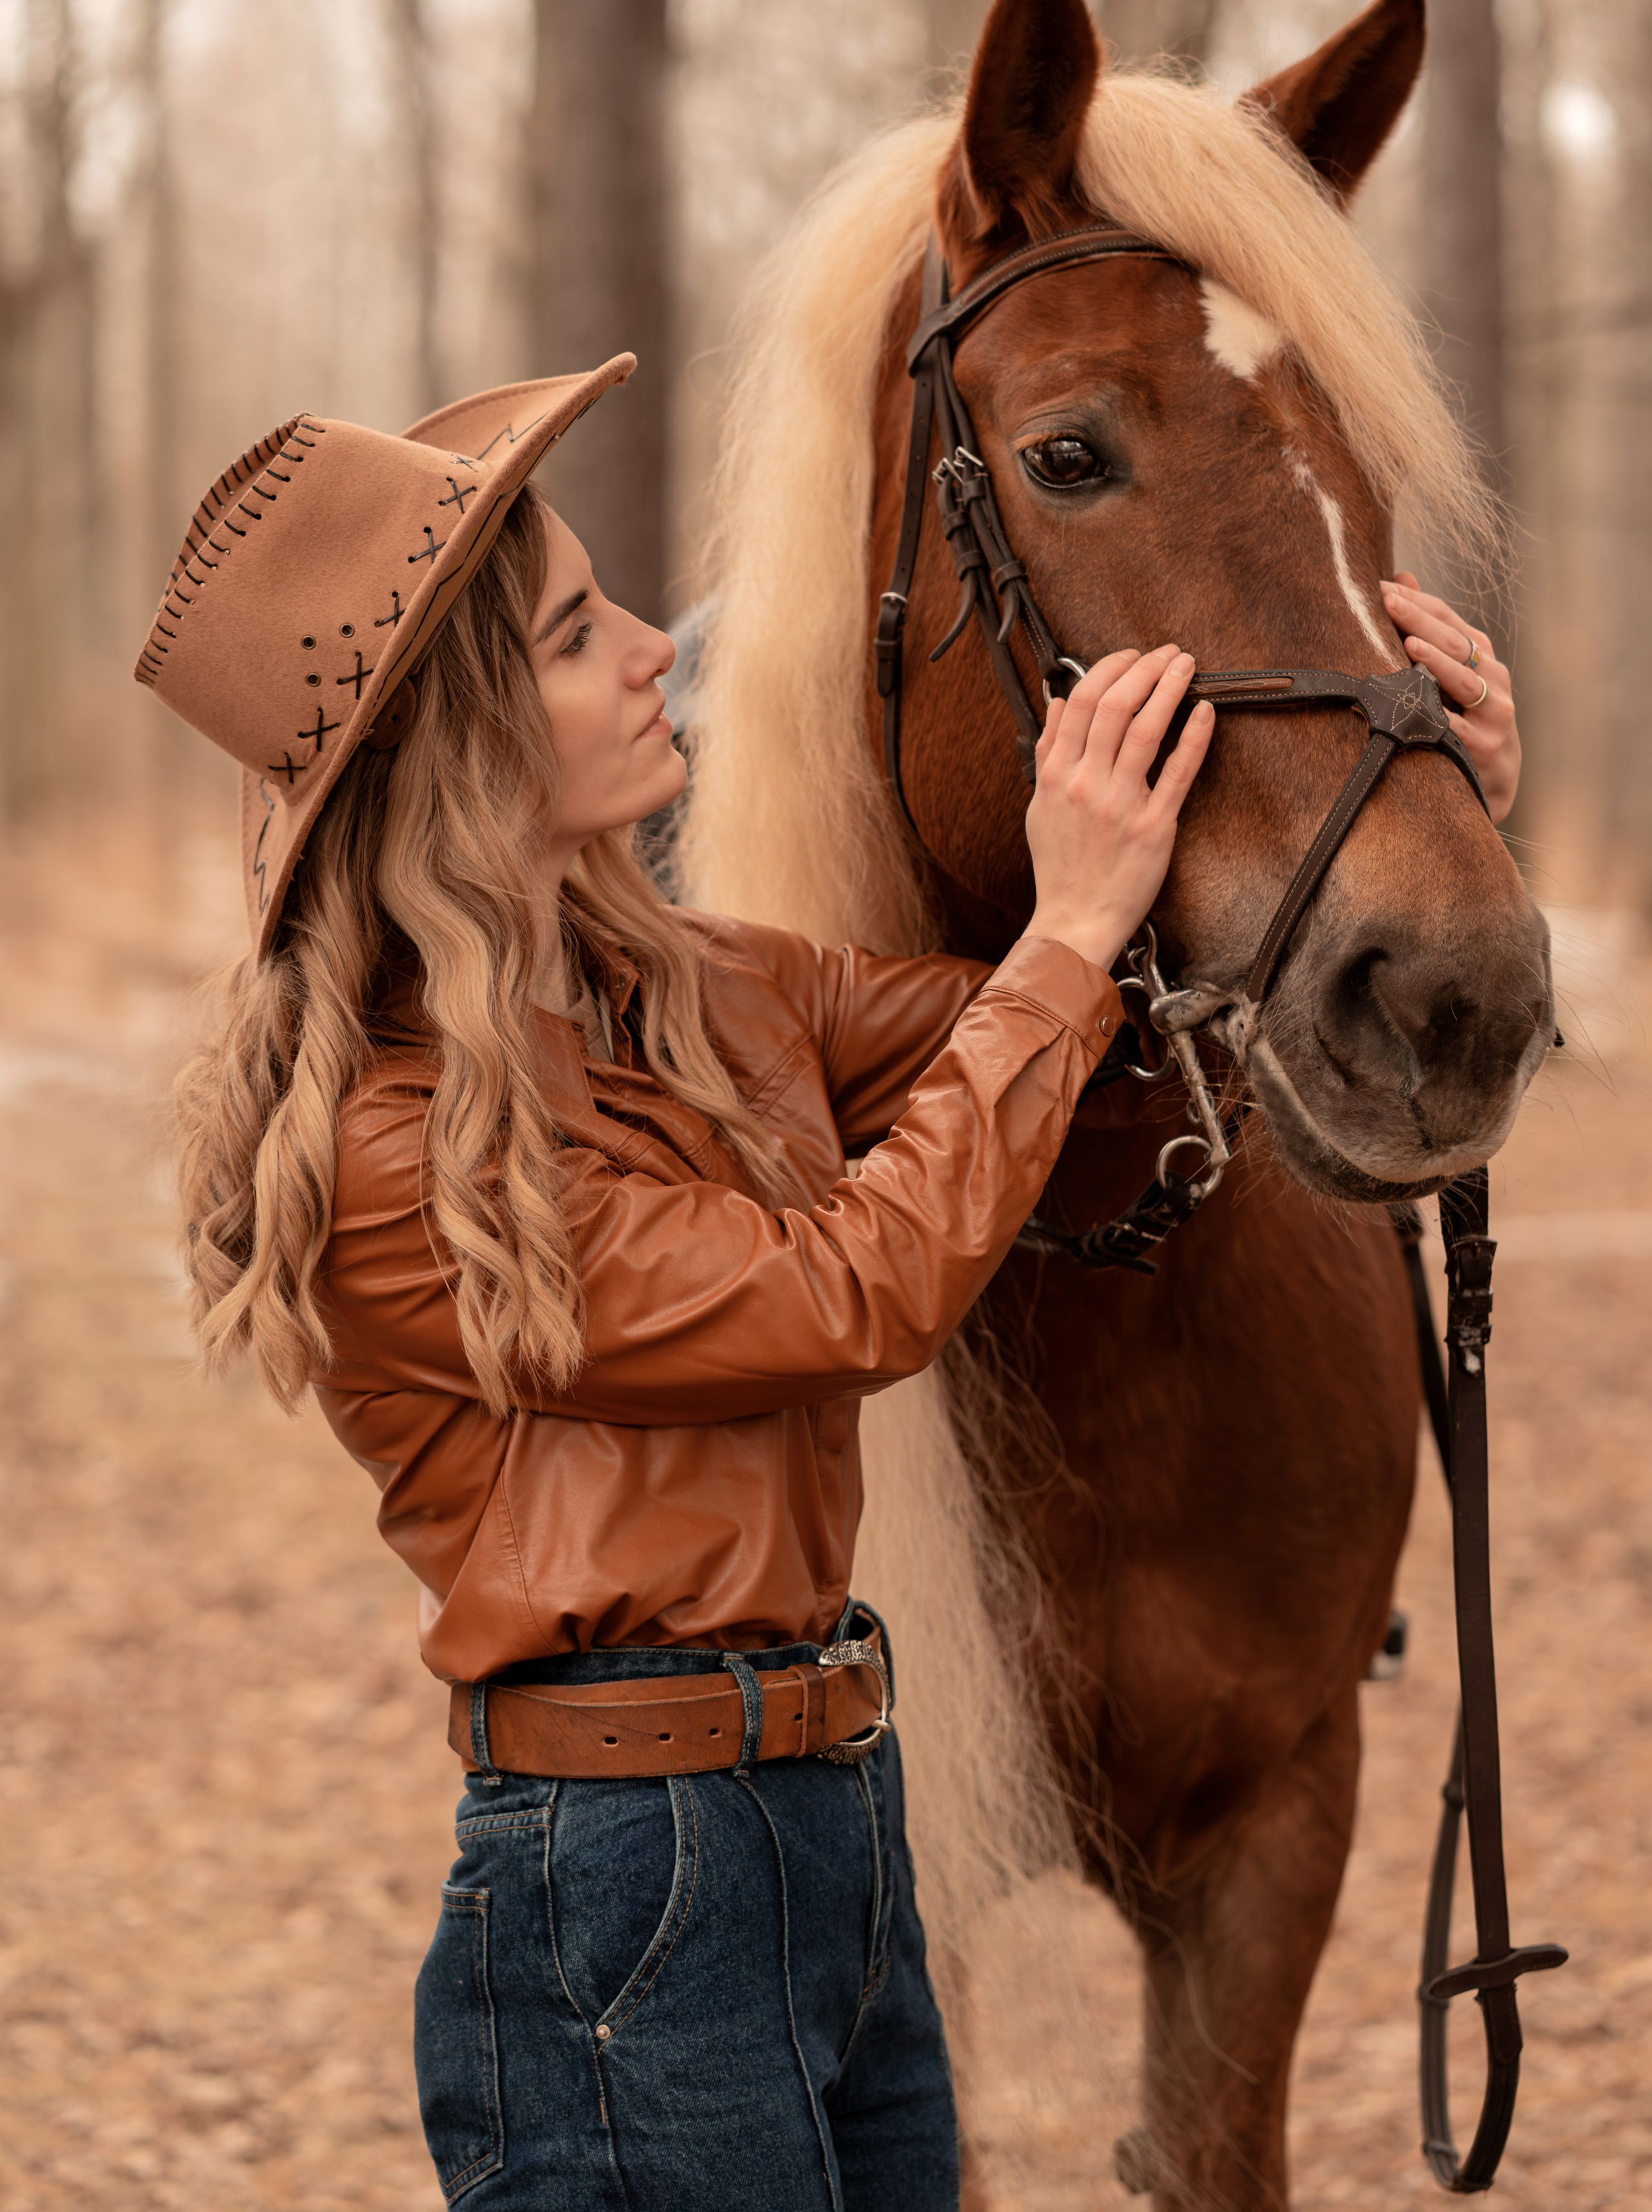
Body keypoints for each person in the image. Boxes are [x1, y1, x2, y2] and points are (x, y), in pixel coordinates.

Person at [140, 364, 1521, 2212]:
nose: (655, 647)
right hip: (629, 1891)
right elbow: (856, 1292)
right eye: (575, 634)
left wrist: (1402, 814)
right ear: (462, 752)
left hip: (826, 1823)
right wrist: (1066, 928)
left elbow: (1066, 1076)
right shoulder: (404, 1163)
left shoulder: (697, 993)